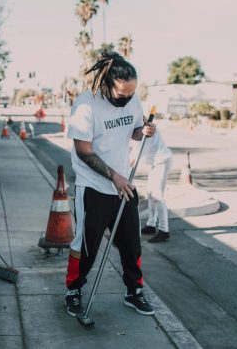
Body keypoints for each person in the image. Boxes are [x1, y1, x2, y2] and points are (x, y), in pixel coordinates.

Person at [65, 52, 156, 317]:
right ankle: (73, 289)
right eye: (121, 95)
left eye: (131, 94)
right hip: (93, 185)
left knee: (131, 244)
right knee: (86, 246)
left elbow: (135, 131)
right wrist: (113, 175)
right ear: (106, 84)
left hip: (124, 185)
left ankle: (134, 291)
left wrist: (145, 131)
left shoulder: (132, 99)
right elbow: (83, 150)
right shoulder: (85, 105)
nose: (127, 99)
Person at [131, 126, 173, 242]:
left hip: (162, 162)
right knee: (150, 193)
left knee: (157, 196)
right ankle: (151, 225)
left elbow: (135, 156)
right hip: (156, 164)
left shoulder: (147, 129)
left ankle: (164, 231)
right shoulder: (138, 131)